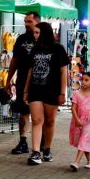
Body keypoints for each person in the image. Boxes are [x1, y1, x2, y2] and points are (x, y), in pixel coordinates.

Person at [23, 22, 69, 165]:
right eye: (34, 33)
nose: (34, 35)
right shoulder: (35, 50)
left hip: (52, 90)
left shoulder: (58, 49)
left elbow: (63, 72)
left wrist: (63, 92)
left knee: (49, 121)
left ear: (45, 33)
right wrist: (25, 90)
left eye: (37, 33)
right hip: (35, 89)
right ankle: (35, 152)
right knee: (36, 120)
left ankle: (47, 149)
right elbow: (30, 71)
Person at [5, 12, 41, 155]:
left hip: (40, 82)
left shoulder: (45, 39)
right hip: (21, 80)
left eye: (29, 22)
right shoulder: (21, 39)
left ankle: (41, 142)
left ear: (37, 22)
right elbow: (15, 60)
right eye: (25, 21)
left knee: (40, 115)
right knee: (23, 112)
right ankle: (23, 141)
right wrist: (8, 80)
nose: (26, 24)